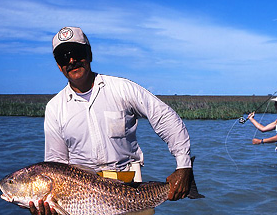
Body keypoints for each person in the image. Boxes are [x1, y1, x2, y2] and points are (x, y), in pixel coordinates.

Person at [29, 27, 193, 215]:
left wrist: (184, 165)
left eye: (77, 53)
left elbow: (165, 116)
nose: (71, 61)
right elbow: (55, 164)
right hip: (79, 202)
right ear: (59, 65)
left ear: (89, 54)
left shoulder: (121, 88)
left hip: (131, 193)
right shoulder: (55, 107)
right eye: (63, 58)